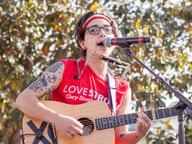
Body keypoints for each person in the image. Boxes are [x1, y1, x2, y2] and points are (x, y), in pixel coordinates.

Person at [15, 11, 151, 144]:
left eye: (107, 29)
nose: (102, 33)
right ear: (82, 43)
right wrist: (58, 120)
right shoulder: (64, 68)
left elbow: (118, 139)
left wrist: (139, 134)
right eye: (94, 30)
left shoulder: (122, 88)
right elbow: (23, 100)